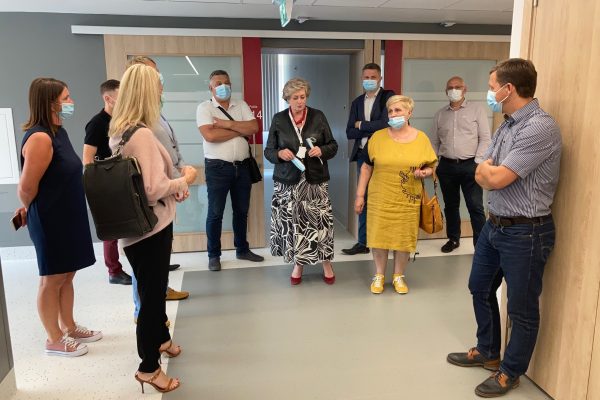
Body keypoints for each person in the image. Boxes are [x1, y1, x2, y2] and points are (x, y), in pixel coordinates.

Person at [447, 58, 561, 398]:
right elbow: (484, 169)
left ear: (508, 89)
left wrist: (489, 173)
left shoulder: (539, 128)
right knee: (479, 288)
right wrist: (489, 173)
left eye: (492, 86)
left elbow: (495, 177)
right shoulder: (507, 125)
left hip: (526, 232)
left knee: (521, 309)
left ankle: (510, 372)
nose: (490, 92)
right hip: (494, 226)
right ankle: (488, 351)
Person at [108, 63, 197, 393]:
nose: (161, 93)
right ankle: (148, 367)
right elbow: (152, 189)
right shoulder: (142, 135)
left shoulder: (121, 131)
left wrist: (171, 187)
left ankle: (161, 339)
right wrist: (184, 180)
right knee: (151, 298)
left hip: (138, 230)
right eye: (158, 87)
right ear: (147, 92)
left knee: (154, 291)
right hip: (151, 229)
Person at [15, 77, 101, 357]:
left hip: (68, 215)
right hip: (50, 218)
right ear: (50, 103)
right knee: (52, 279)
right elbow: (26, 188)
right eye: (66, 98)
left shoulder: (57, 132)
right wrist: (29, 209)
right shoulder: (40, 138)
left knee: (67, 274)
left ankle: (69, 327)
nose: (71, 102)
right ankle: (53, 338)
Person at [354, 95, 437, 295]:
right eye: (390, 111)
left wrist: (424, 172)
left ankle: (398, 275)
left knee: (403, 238)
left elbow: (431, 166)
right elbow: (366, 168)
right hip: (380, 198)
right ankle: (379, 275)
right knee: (379, 237)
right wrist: (360, 196)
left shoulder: (421, 139)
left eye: (398, 110)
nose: (393, 114)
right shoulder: (377, 137)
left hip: (407, 200)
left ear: (409, 113)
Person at [126, 55, 189, 306]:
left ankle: (158, 295)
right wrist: (181, 181)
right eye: (154, 75)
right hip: (151, 205)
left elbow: (170, 149)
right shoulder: (138, 126)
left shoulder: (156, 113)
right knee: (147, 273)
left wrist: (180, 176)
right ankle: (143, 310)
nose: (160, 80)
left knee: (155, 271)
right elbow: (152, 182)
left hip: (165, 196)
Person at [264, 77, 338, 285]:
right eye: (295, 97)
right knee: (295, 224)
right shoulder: (279, 119)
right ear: (287, 98)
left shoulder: (318, 116)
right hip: (288, 181)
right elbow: (269, 151)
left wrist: (321, 150)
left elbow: (333, 145)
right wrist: (280, 154)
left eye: (303, 97)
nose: (300, 101)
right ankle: (298, 264)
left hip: (315, 181)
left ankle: (326, 263)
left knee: (321, 224)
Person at [196, 69, 264, 271]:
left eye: (226, 82)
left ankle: (242, 249)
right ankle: (213, 255)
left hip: (242, 167)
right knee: (215, 213)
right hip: (217, 168)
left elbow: (253, 128)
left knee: (241, 211)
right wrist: (238, 129)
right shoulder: (205, 108)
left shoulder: (241, 105)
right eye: (218, 83)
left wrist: (226, 125)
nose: (223, 86)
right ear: (210, 87)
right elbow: (210, 136)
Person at [431, 76, 490, 253]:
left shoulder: (477, 110)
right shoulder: (440, 114)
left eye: (457, 87)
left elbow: (485, 138)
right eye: (450, 87)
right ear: (446, 91)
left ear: (465, 89)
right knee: (450, 205)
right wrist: (434, 164)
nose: (454, 90)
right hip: (446, 166)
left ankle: (481, 245)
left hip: (471, 165)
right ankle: (453, 239)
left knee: (475, 206)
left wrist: (478, 163)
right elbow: (434, 142)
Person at [83, 79, 132, 285]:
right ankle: (114, 271)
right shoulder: (97, 123)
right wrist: (100, 185)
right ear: (108, 98)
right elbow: (87, 159)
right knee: (112, 229)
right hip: (106, 182)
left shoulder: (123, 121)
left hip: (123, 178)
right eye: (121, 96)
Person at [342, 63, 394, 256]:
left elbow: (386, 124)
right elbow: (349, 132)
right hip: (363, 155)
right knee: (362, 198)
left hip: (385, 156)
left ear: (380, 78)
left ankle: (386, 240)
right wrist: (370, 127)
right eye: (366, 77)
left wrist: (361, 124)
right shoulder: (357, 102)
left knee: (385, 198)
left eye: (373, 77)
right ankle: (363, 242)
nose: (369, 80)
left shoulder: (388, 97)